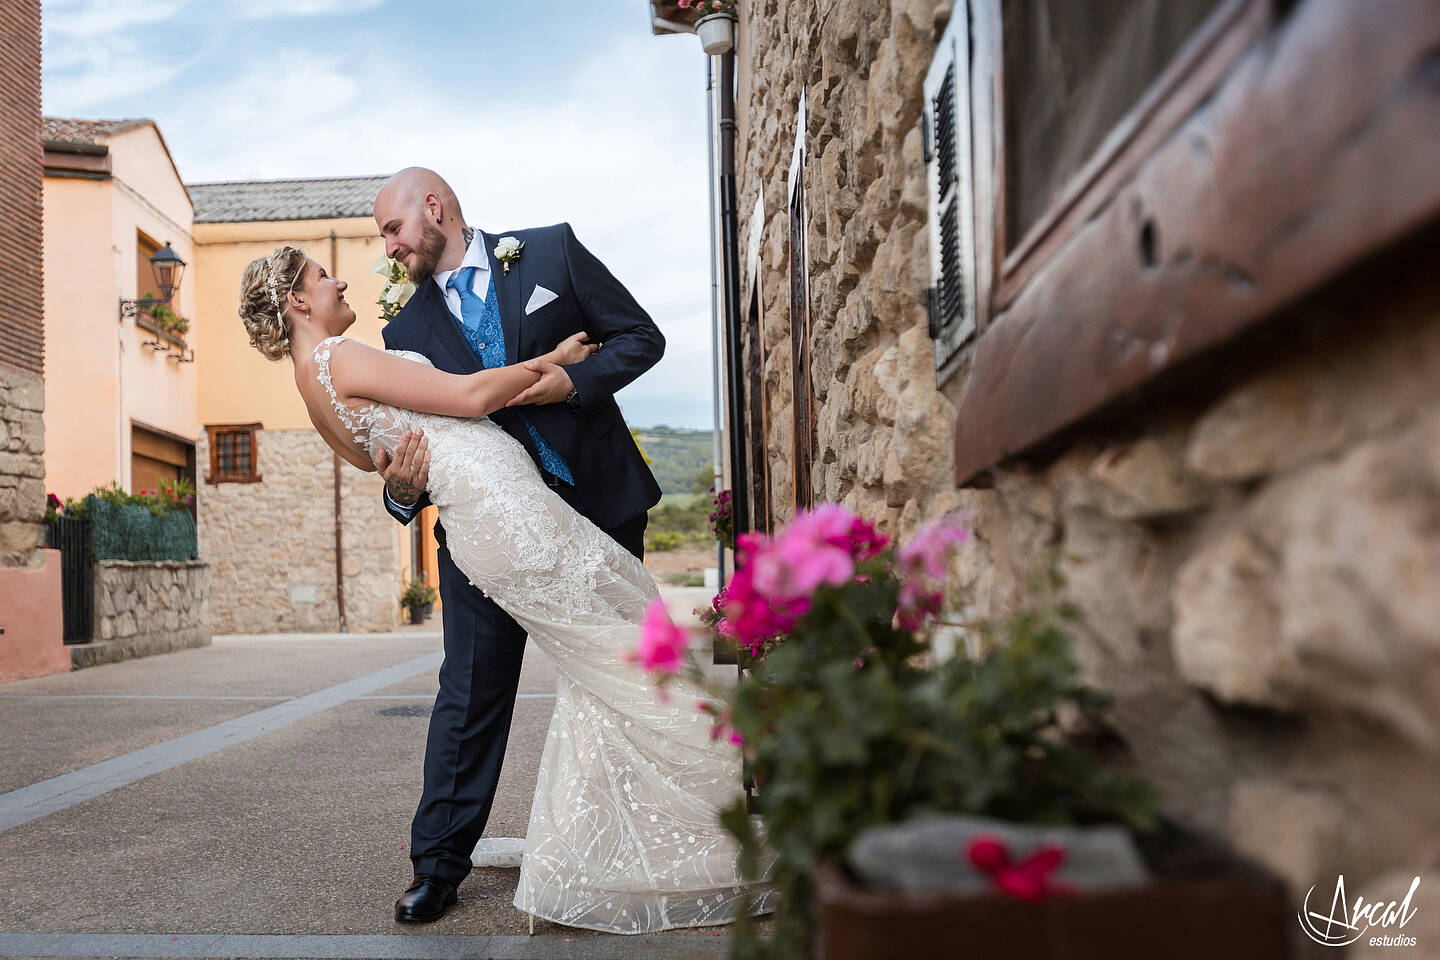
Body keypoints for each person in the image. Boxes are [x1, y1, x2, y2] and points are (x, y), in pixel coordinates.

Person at [236, 240, 775, 934]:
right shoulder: (349, 353)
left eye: (392, 225)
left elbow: (390, 456)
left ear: (435, 208)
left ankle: (628, 827)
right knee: (621, 660)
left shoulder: (317, 384)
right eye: (321, 277)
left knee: (615, 660)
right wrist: (549, 368)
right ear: (296, 301)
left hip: (527, 514)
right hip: (509, 523)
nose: (344, 278)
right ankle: (739, 799)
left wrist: (563, 366)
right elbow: (455, 405)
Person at [366, 168, 668, 925]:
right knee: (468, 694)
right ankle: (436, 865)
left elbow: (641, 338)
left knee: (623, 678)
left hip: (597, 507)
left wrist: (571, 383)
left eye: (392, 230)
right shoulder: (401, 337)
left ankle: (644, 835)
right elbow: (411, 454)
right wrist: (402, 491)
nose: (390, 247)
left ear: (432, 209)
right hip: (484, 535)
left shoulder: (551, 255)